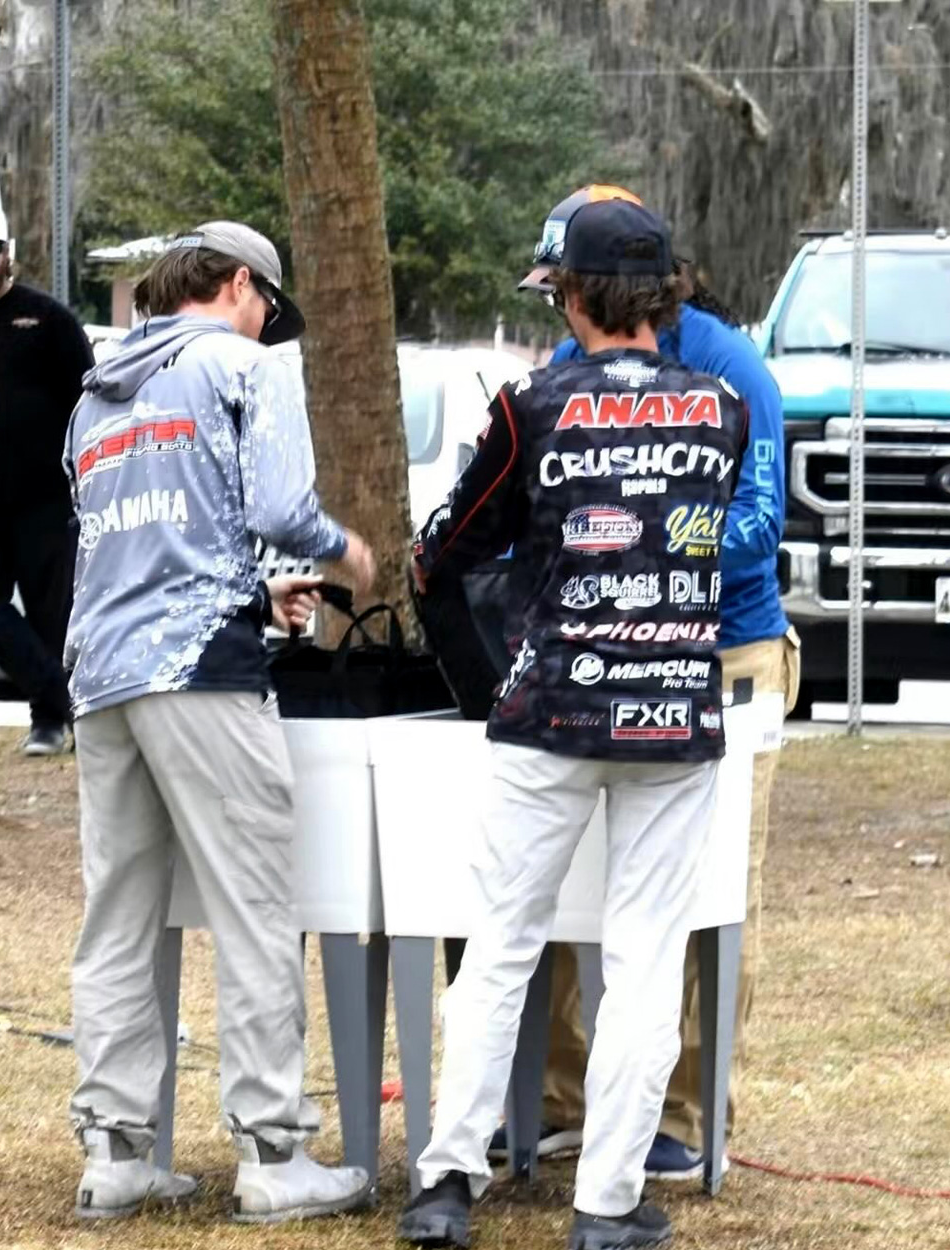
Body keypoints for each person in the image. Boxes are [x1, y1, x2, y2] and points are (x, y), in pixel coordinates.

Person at [398, 199, 748, 1250]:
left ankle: (446, 1182)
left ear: (573, 296)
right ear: (662, 296)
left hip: (549, 704)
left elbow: (443, 550)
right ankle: (605, 1202)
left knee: (499, 943)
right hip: (673, 712)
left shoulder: (530, 404)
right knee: (643, 959)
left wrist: (490, 654)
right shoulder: (722, 406)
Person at [63, 222, 376, 1224]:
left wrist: (253, 593)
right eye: (267, 311)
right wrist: (343, 550)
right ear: (238, 284)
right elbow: (281, 508)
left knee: (118, 915)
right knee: (255, 907)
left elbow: (136, 539)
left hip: (102, 672)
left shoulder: (97, 389)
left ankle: (115, 1150)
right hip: (200, 666)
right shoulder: (242, 366)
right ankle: (274, 1153)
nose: (268, 332)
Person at [512, 185, 799, 1182]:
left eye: (564, 288)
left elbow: (760, 523)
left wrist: (648, 545)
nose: (560, 311)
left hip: (726, 653)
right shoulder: (566, 363)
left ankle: (681, 1113)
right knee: (558, 890)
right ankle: (557, 1100)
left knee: (705, 899)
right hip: (598, 657)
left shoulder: (730, 368)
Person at [0, 204, 94, 755]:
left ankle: (49, 722)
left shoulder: (47, 319)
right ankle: (59, 695)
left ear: (8, 254)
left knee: (52, 616)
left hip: (47, 499)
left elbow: (89, 399)